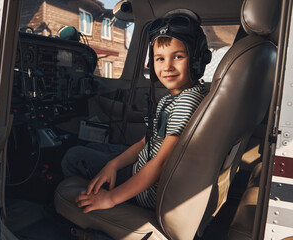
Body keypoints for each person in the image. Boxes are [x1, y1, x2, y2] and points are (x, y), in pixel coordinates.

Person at [61, 9, 211, 212]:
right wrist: (113, 165)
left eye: (177, 57)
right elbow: (144, 142)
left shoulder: (187, 102)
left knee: (73, 155)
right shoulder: (174, 98)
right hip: (143, 161)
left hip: (145, 187)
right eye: (160, 59)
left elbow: (161, 163)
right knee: (95, 149)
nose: (167, 66)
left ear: (196, 60)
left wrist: (111, 198)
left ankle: (79, 217)